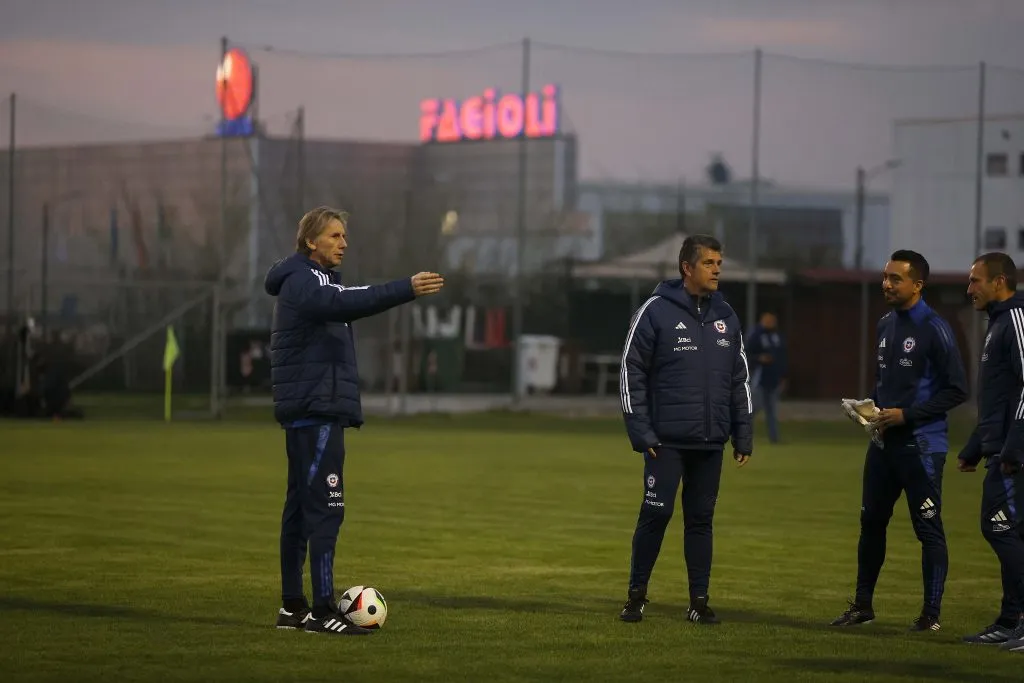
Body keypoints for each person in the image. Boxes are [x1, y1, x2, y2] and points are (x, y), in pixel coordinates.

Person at [264, 206, 444, 636]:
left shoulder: (304, 280)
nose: (344, 243)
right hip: (317, 410)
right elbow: (347, 301)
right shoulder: (307, 280)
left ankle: (293, 607)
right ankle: (324, 610)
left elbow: (343, 299)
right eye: (335, 236)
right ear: (311, 241)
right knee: (327, 511)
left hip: (310, 410)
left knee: (299, 511)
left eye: (344, 236)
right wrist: (407, 288)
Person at [618, 234, 753, 625]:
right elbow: (631, 372)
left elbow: (738, 380)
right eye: (709, 263)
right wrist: (642, 432)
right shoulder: (654, 311)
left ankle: (699, 602)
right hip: (666, 443)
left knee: (700, 521)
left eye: (719, 264)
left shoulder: (726, 315)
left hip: (711, 443)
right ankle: (636, 596)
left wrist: (742, 434)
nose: (717, 270)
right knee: (655, 515)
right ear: (686, 268)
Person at [829, 250, 967, 632]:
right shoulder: (885, 324)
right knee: (871, 522)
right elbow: (885, 382)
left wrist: (907, 415)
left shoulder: (936, 328)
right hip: (883, 445)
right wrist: (869, 409)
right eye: (885, 277)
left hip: (921, 446)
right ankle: (862, 606)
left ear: (917, 285)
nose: (886, 284)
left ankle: (930, 616)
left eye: (895, 278)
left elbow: (957, 390)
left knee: (927, 527)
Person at [958, 252, 1024, 649]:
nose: (969, 289)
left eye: (975, 281)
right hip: (1001, 448)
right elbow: (999, 396)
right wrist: (975, 446)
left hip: (1014, 454)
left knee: (998, 527)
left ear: (999, 282)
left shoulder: (1015, 320)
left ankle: (1017, 618)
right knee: (1012, 531)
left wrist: (1013, 447)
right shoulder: (998, 323)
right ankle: (1009, 619)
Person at [745, 312, 787, 444]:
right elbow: (746, 353)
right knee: (754, 408)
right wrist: (759, 358)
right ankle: (743, 435)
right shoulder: (755, 335)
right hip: (759, 378)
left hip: (773, 379)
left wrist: (783, 375)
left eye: (772, 321)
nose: (771, 323)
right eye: (768, 321)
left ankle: (774, 438)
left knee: (772, 411)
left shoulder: (777, 336)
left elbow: (782, 357)